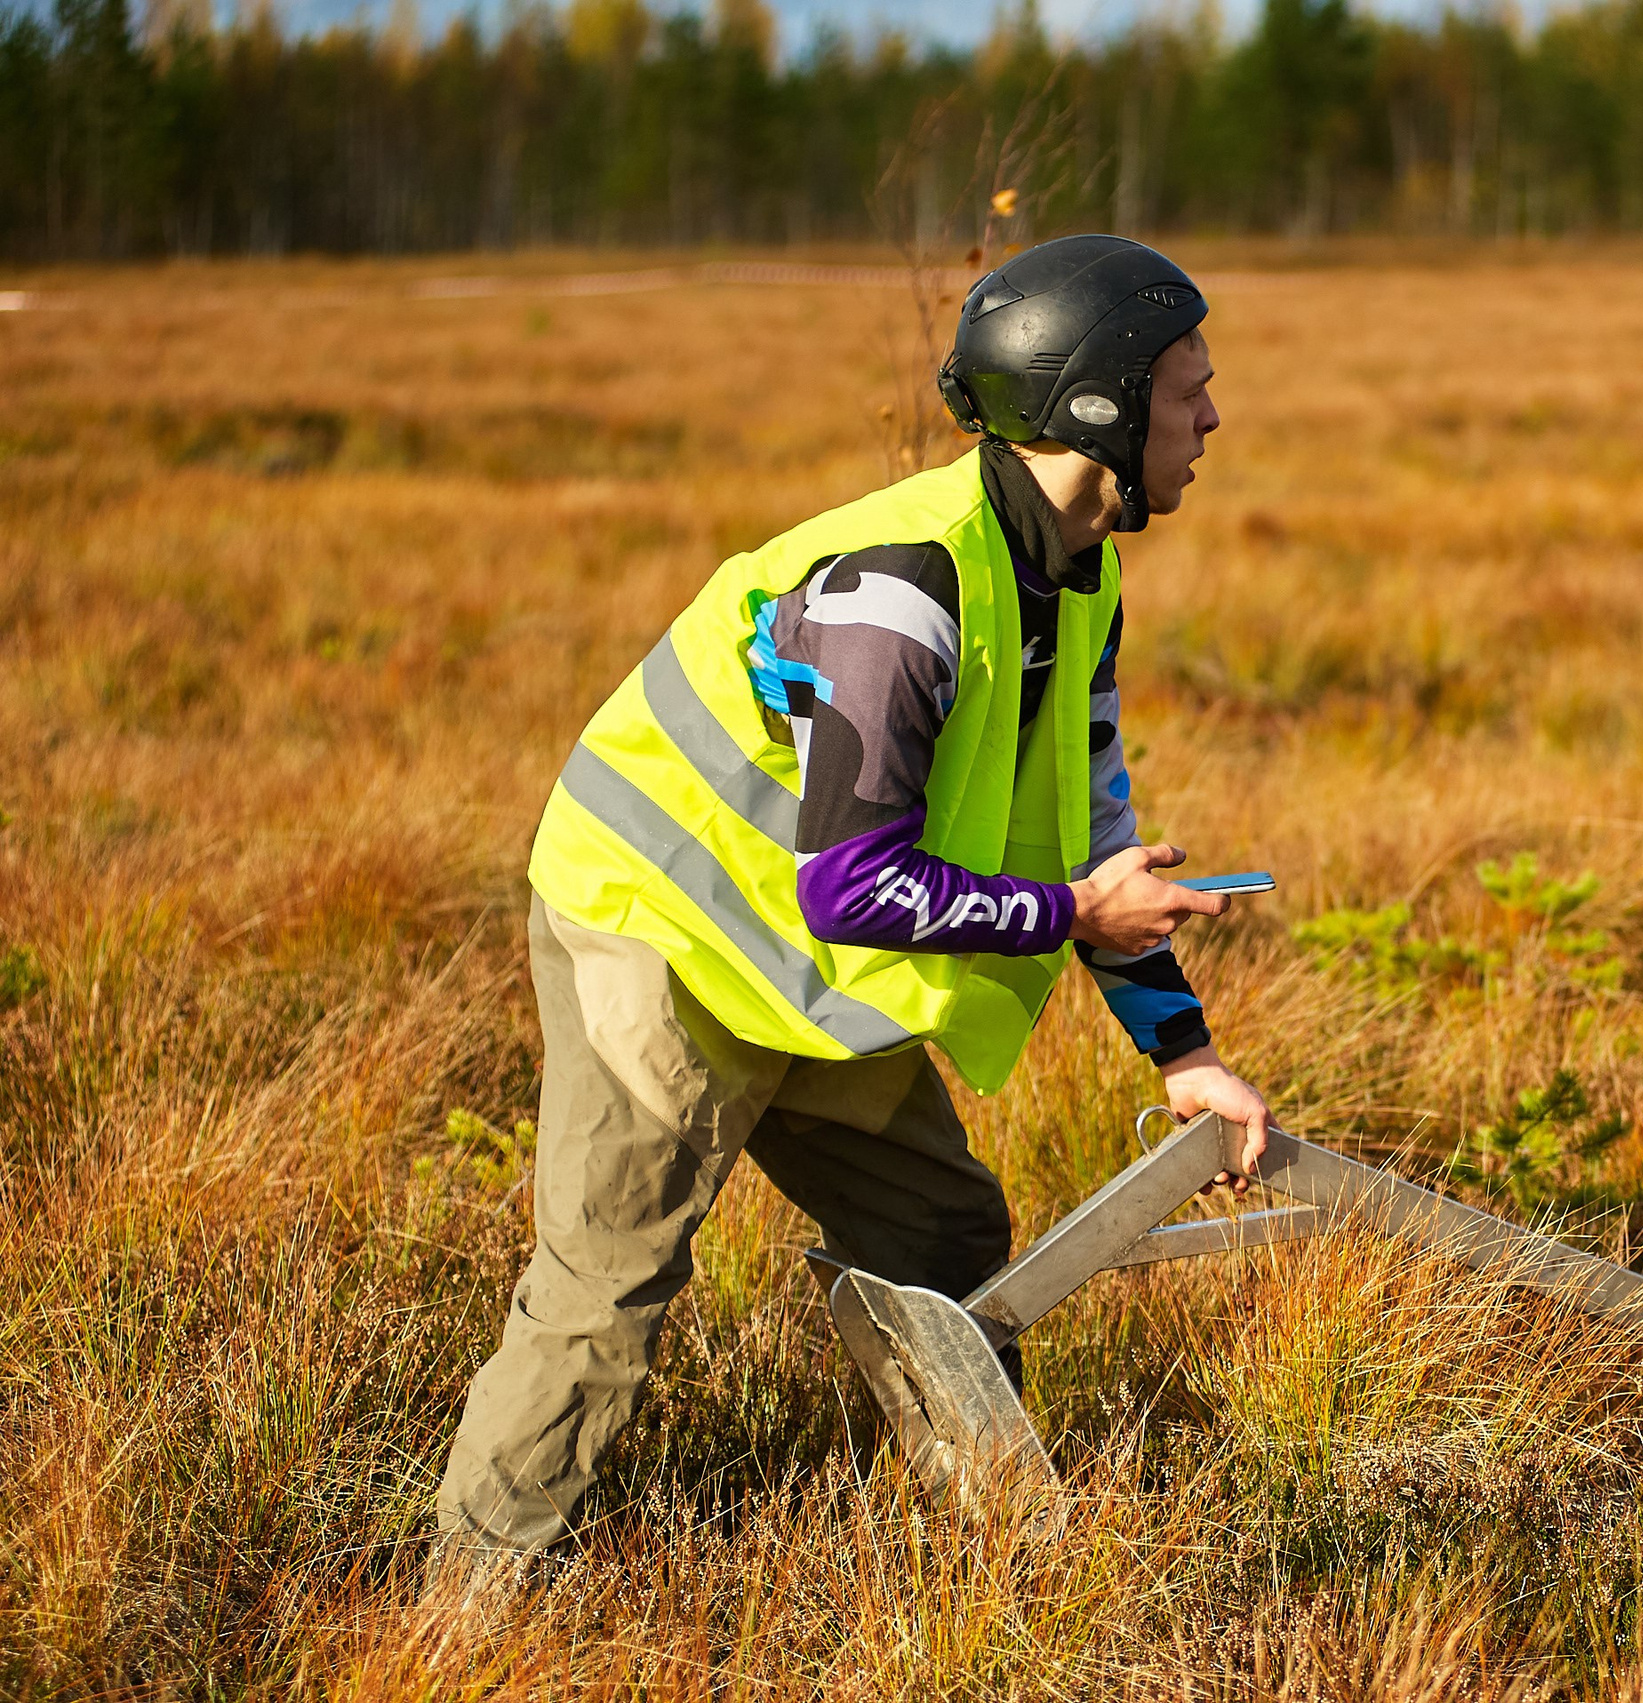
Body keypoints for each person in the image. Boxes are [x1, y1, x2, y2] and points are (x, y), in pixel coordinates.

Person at [435, 235, 1276, 1561]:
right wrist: (1067, 916)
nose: (1215, 416)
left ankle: (984, 1539)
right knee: (608, 1289)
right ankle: (458, 1607)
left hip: (805, 950)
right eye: (1191, 388)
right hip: (664, 930)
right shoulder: (908, 584)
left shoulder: (1080, 571)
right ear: (1098, 404)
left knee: (937, 1230)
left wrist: (1187, 1052)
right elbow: (854, 878)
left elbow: (1101, 826)